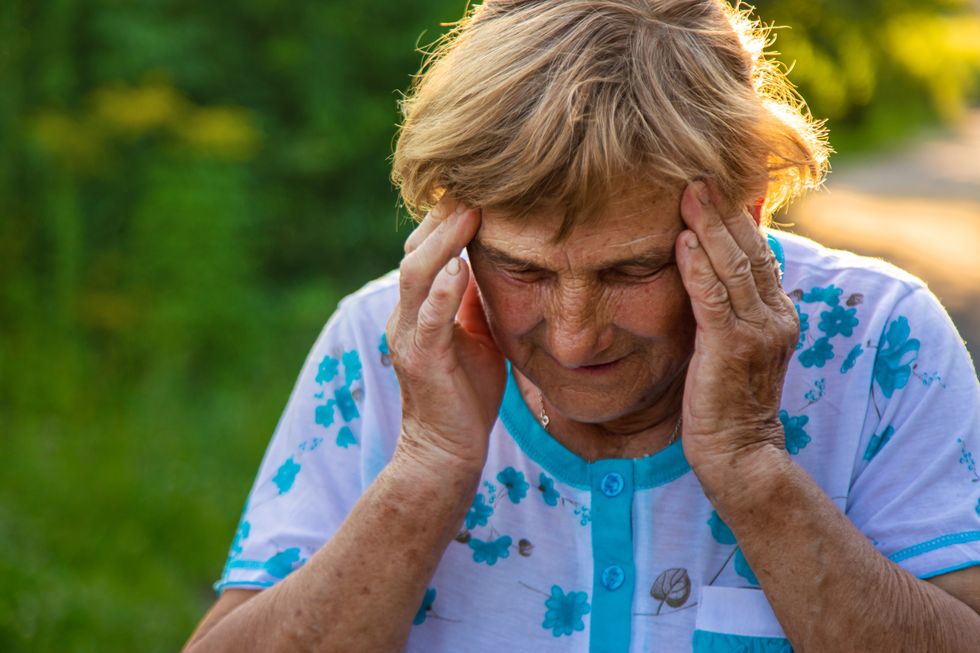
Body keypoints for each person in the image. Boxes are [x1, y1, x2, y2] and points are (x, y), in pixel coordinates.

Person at [184, 1, 980, 651]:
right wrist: (425, 468)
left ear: (746, 212)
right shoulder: (387, 343)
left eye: (630, 271)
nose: (572, 337)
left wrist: (751, 469)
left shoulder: (877, 340)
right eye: (521, 270)